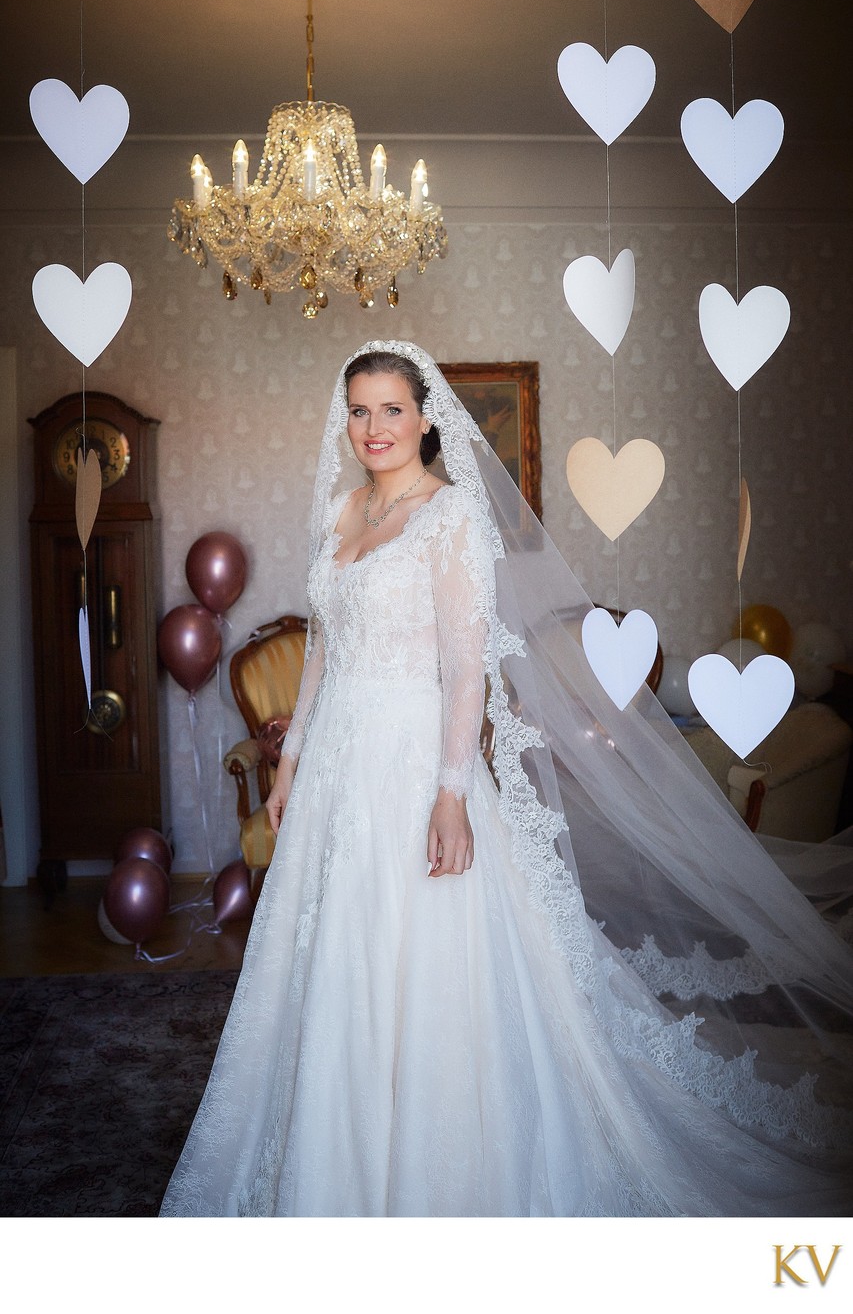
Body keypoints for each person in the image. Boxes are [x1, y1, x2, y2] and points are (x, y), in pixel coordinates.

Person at [160, 340, 853, 1218]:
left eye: (391, 410)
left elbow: (464, 668)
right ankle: (332, 1151)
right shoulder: (340, 514)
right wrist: (291, 757)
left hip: (414, 763)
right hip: (338, 763)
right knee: (331, 951)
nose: (373, 427)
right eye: (360, 410)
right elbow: (326, 650)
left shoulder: (449, 517)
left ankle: (429, 1167)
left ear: (425, 419)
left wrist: (452, 790)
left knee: (424, 954)